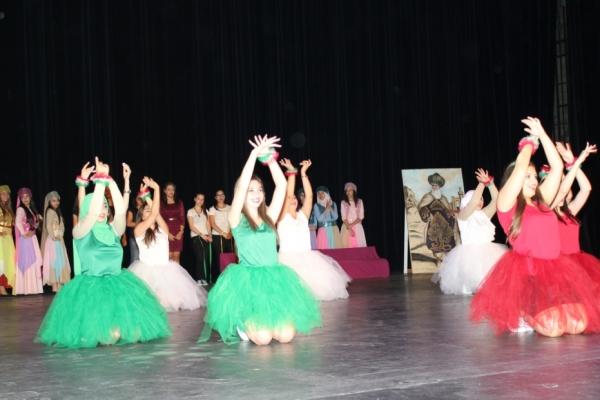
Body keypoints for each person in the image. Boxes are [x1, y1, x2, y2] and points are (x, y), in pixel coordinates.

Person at [471, 117, 600, 337]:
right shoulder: (506, 204)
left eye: (534, 176)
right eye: (528, 177)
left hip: (555, 271)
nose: (533, 180)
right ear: (514, 179)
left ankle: (539, 313)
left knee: (578, 325)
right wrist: (529, 144)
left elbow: (558, 167)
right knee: (554, 329)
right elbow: (521, 167)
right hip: (529, 276)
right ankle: (524, 312)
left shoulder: (543, 202)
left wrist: (542, 134)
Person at [36, 158, 171, 348]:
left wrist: (112, 181)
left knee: (132, 333)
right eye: (98, 206)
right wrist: (98, 181)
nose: (102, 210)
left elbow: (121, 211)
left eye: (105, 207)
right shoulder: (81, 232)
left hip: (118, 286)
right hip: (91, 290)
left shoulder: (113, 230)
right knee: (107, 336)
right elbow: (89, 213)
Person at [200, 135, 321, 345]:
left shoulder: (269, 217)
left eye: (260, 190)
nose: (256, 194)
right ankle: (242, 323)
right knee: (263, 339)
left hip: (273, 279)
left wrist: (269, 158)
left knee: (286, 336)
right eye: (251, 190)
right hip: (248, 282)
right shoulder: (236, 218)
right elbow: (240, 187)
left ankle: (264, 323)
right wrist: (254, 154)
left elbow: (281, 186)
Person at [277, 158, 351, 300]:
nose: (293, 199)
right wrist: (291, 173)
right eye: (290, 198)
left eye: (295, 198)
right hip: (287, 259)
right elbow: (288, 194)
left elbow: (310, 196)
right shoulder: (282, 216)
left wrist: (303, 173)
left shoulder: (303, 215)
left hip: (307, 258)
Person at [129, 178, 206, 312]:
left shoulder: (163, 228)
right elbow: (154, 213)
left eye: (151, 209)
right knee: (149, 302)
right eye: (146, 210)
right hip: (147, 271)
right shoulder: (139, 229)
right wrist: (156, 189)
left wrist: (148, 196)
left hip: (166, 270)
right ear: (141, 215)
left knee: (170, 301)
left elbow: (156, 214)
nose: (150, 211)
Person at [432, 169, 507, 295]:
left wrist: (490, 184)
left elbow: (496, 202)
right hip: (469, 255)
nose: (480, 201)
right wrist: (481, 183)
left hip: (487, 251)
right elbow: (473, 203)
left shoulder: (483, 214)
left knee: (488, 279)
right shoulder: (463, 215)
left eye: (482, 199)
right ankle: (467, 285)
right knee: (472, 274)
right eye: (478, 198)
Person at [417, 173, 457, 263]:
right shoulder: (428, 196)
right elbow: (420, 207)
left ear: (439, 186)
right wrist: (427, 214)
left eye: (436, 185)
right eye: (432, 185)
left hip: (445, 224)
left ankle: (447, 259)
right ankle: (437, 258)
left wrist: (451, 215)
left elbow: (449, 210)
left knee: (448, 241)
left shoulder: (443, 198)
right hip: (433, 222)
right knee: (434, 242)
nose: (434, 187)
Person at [14, 187, 43, 295]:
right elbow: (17, 222)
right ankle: (28, 288)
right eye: (23, 197)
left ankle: (34, 288)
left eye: (27, 197)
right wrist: (24, 233)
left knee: (34, 260)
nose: (25, 199)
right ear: (20, 199)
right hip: (26, 240)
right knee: (28, 261)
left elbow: (33, 225)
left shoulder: (30, 208)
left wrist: (37, 223)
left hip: (32, 238)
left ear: (30, 197)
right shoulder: (21, 209)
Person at [41, 191, 71, 292]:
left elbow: (62, 225)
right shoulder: (50, 211)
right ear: (49, 202)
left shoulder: (57, 211)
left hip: (59, 239)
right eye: (53, 201)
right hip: (53, 240)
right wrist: (53, 236)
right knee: (53, 260)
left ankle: (59, 282)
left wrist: (60, 234)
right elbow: (48, 225)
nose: (56, 203)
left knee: (60, 260)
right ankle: (54, 284)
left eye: (57, 201)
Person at [187, 193, 212, 285]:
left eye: (202, 199)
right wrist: (202, 235)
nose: (200, 201)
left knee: (206, 257)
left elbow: (208, 224)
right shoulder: (190, 211)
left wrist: (210, 235)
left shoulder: (206, 211)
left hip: (206, 236)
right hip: (196, 236)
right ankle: (198, 278)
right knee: (199, 257)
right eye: (198, 199)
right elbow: (191, 226)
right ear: (195, 199)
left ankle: (204, 278)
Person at [208, 189, 232, 280]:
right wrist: (223, 233)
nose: (220, 197)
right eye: (218, 195)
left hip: (229, 235)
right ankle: (220, 278)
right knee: (219, 257)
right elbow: (212, 224)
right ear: (215, 197)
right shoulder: (212, 209)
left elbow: (232, 221)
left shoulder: (230, 208)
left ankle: (229, 277)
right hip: (218, 236)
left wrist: (230, 233)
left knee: (229, 256)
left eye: (222, 195)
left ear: (224, 196)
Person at [161, 182, 185, 263]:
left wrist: (181, 232)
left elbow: (182, 218)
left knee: (176, 256)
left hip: (178, 230)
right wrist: (167, 234)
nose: (171, 191)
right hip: (166, 230)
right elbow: (160, 220)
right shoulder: (161, 203)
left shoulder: (179, 202)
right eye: (169, 189)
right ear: (165, 191)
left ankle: (177, 272)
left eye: (173, 189)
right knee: (169, 256)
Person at [340, 182, 366, 248]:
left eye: (350, 190)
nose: (348, 192)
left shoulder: (360, 201)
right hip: (346, 226)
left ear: (354, 191)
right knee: (346, 247)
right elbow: (344, 217)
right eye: (347, 190)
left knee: (358, 247)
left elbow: (361, 216)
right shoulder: (343, 202)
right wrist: (349, 227)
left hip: (357, 227)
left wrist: (351, 225)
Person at [0, 185, 15, 295]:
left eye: (7, 194)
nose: (6, 196)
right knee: (1, 262)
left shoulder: (8, 209)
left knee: (8, 261)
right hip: (1, 238)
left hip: (8, 239)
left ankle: (5, 286)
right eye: (3, 194)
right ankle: (1, 288)